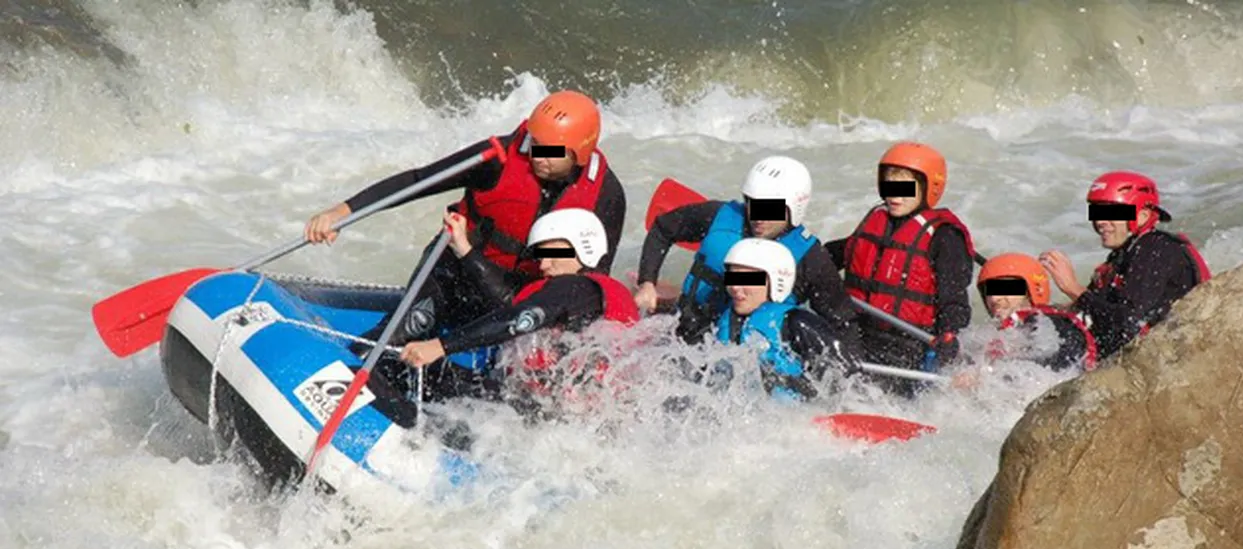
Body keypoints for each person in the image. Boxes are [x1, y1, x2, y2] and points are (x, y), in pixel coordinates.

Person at [304, 90, 626, 350]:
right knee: (410, 326)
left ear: (579, 154)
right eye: (535, 145)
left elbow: (592, 275)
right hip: (455, 268)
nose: (539, 157)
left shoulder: (605, 196)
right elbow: (418, 181)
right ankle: (351, 363)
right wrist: (342, 213)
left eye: (552, 151)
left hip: (517, 294)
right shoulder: (495, 160)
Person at [399, 208, 639, 415]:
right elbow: (509, 300)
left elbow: (518, 318)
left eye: (553, 254)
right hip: (561, 411)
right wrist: (464, 249)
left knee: (417, 373)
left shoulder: (576, 286)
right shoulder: (585, 297)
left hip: (553, 413)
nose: (544, 264)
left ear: (582, 248)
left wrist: (440, 346)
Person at [632, 156, 861, 352]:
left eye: (769, 208)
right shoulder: (719, 216)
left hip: (747, 359)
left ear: (794, 208)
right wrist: (647, 283)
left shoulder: (810, 258)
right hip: (683, 330)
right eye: (754, 204)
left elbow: (843, 323)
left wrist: (848, 387)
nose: (758, 218)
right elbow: (663, 228)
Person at [826, 142, 977, 393]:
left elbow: (954, 297)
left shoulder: (945, 237)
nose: (895, 196)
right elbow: (832, 257)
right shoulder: (876, 221)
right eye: (889, 187)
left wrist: (950, 333)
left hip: (908, 345)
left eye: (905, 189)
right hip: (856, 333)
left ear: (930, 188)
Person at [1038, 171, 1211, 361]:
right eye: (1097, 214)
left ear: (1143, 215)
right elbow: (1090, 309)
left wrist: (1073, 289)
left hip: (1168, 360)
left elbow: (1127, 323)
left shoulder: (1157, 249)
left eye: (1111, 213)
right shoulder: (1124, 256)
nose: (1100, 222)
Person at [710, 239, 860, 400]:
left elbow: (845, 375)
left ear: (775, 282)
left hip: (795, 415)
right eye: (732, 278)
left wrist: (796, 385)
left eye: (747, 279)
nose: (735, 288)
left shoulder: (797, 322)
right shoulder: (726, 321)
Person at [971, 252, 1097, 374]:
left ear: (1031, 291)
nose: (994, 299)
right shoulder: (996, 332)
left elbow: (1058, 371)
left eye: (1005, 288)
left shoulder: (1055, 325)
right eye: (989, 291)